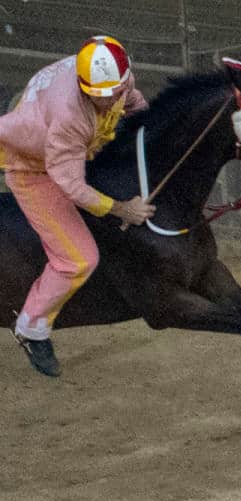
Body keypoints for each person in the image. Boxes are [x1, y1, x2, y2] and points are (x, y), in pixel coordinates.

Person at [0, 38, 152, 371]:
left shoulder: (116, 78)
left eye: (114, 90)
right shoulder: (70, 116)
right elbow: (70, 185)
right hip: (35, 169)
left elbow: (134, 105)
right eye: (98, 95)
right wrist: (121, 208)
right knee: (78, 258)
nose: (109, 98)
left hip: (76, 150)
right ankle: (32, 328)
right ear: (85, 87)